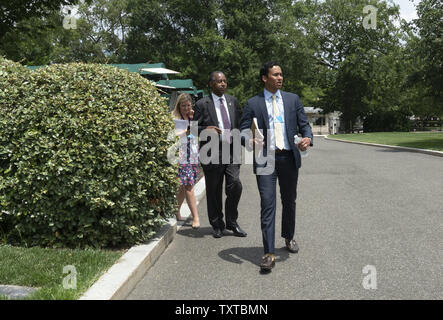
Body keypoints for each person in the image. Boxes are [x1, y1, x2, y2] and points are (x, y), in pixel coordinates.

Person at [239, 61, 313, 272]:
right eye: (275, 75)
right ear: (265, 78)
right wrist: (249, 141)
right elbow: (244, 130)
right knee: (268, 203)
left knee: (289, 201)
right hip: (265, 159)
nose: (280, 78)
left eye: (281, 74)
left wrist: (307, 138)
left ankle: (288, 238)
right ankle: (268, 253)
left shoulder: (292, 100)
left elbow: (304, 124)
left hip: (288, 157)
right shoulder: (253, 103)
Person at [193, 71, 246, 238]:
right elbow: (192, 129)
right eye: (219, 81)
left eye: (224, 81)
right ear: (211, 84)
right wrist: (206, 129)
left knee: (235, 184)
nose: (223, 84)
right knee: (214, 190)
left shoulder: (232, 101)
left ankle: (232, 221)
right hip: (211, 153)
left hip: (232, 150)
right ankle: (217, 224)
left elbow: (240, 124)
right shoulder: (202, 104)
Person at [172, 93, 200, 229]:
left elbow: (194, 134)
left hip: (193, 154)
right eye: (183, 106)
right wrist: (191, 125)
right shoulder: (177, 119)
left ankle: (176, 210)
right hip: (182, 155)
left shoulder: (191, 117)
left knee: (184, 186)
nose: (186, 108)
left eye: (188, 105)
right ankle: (195, 217)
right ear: (179, 106)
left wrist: (193, 119)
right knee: (189, 186)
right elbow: (182, 135)